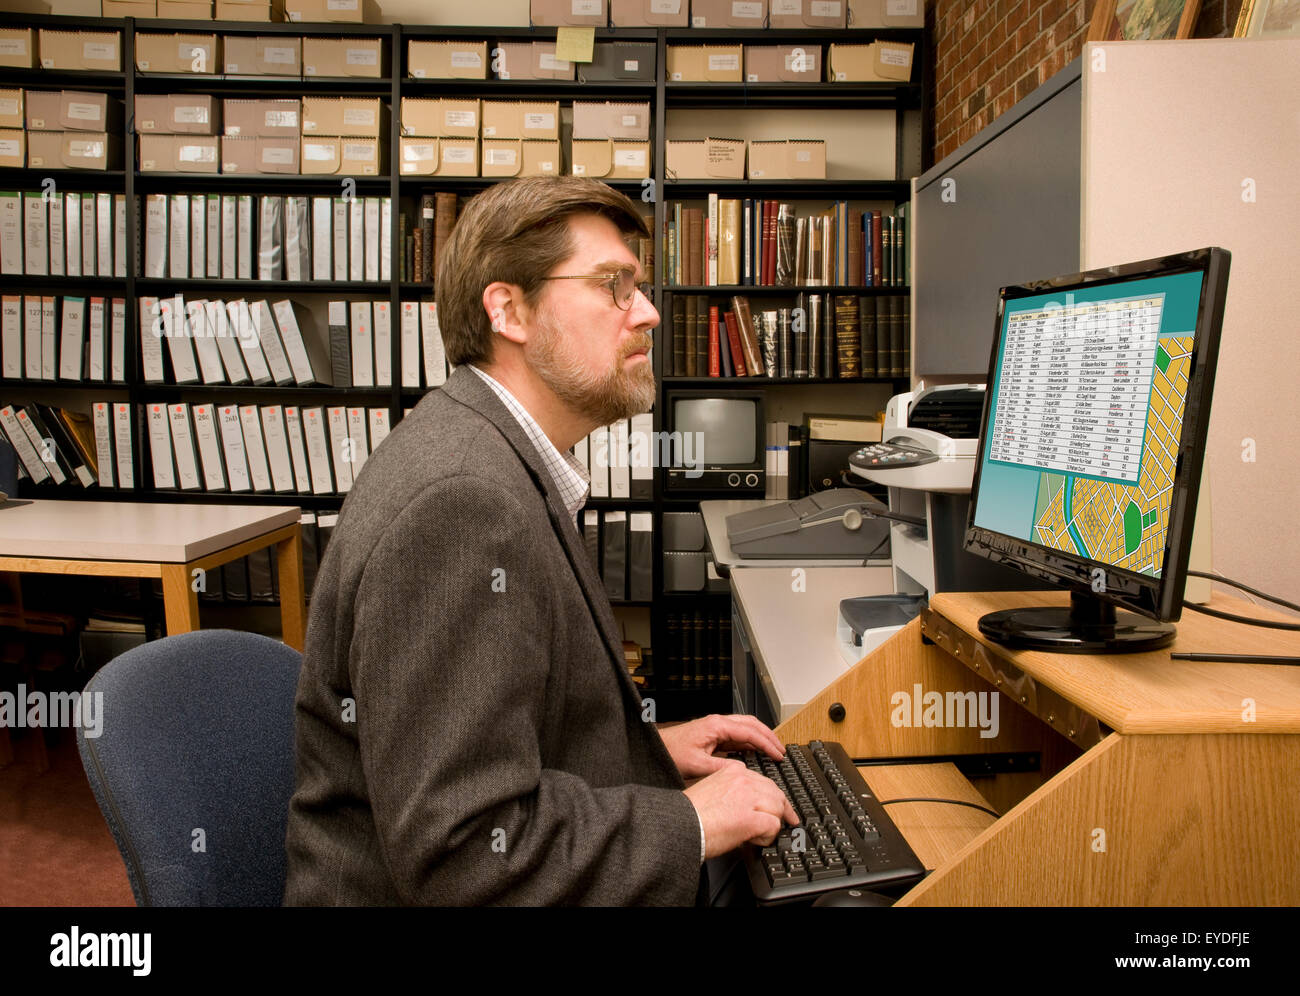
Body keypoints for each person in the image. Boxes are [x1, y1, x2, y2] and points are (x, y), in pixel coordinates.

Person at [283, 175, 796, 906]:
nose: (647, 312)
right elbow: (466, 852)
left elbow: (508, 729)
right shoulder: (462, 503)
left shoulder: (485, 450)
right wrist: (684, 820)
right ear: (509, 310)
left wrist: (642, 754)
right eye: (614, 286)